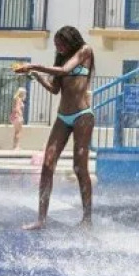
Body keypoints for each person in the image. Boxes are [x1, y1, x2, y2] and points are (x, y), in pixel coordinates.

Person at [16, 26, 95, 230]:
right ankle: (41, 219)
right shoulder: (61, 58)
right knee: (47, 163)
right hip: (63, 116)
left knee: (79, 167)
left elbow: (65, 71)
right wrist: (35, 75)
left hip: (82, 116)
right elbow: (54, 89)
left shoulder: (85, 51)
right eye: (56, 46)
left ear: (71, 41)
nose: (58, 48)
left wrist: (34, 64)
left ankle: (87, 218)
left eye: (61, 45)